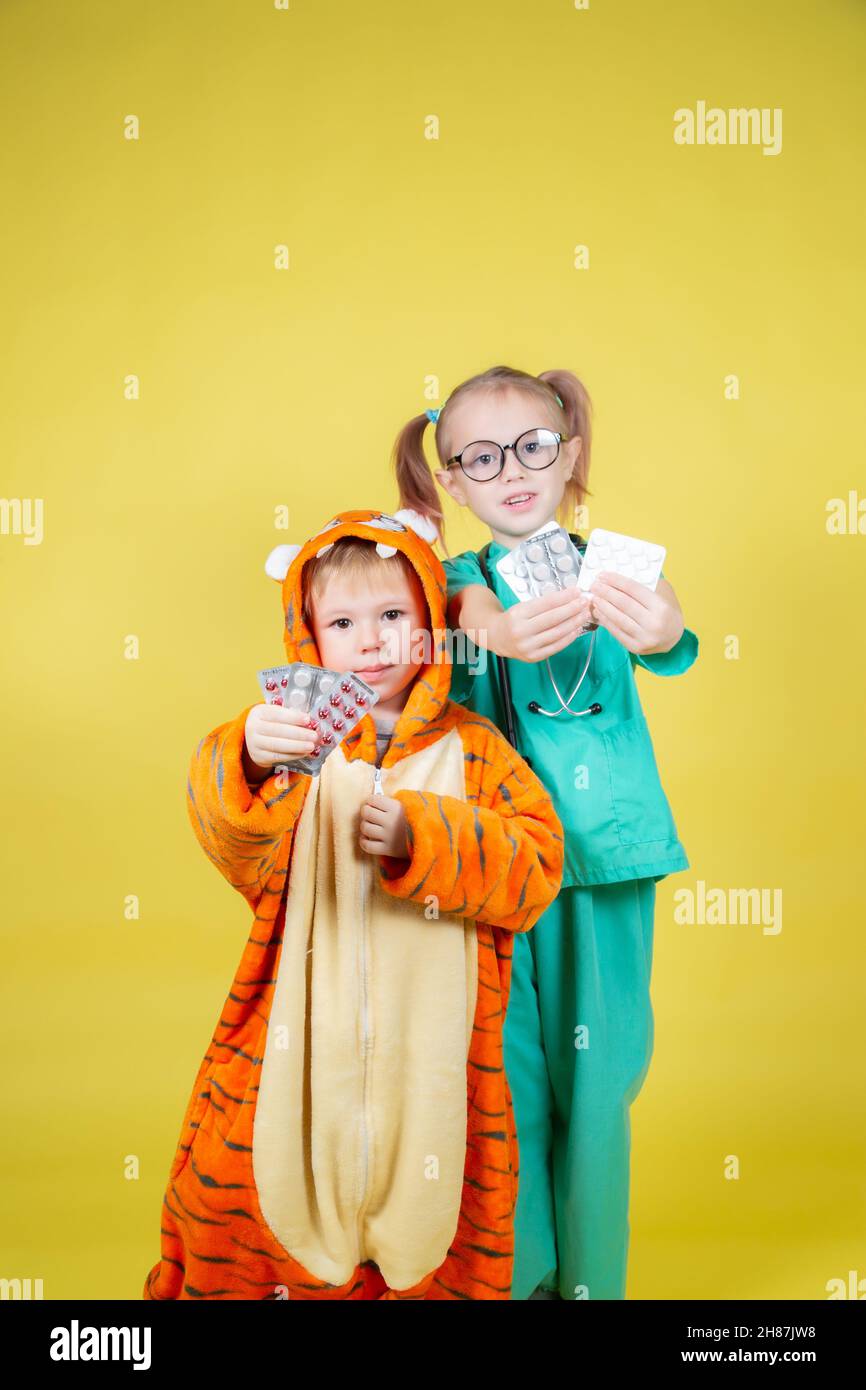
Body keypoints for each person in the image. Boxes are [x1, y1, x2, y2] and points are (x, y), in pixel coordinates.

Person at [142, 506, 564, 1301]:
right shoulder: (292, 739)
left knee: (441, 1231)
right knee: (238, 1203)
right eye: (342, 622)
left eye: (394, 616)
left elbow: (537, 866)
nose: (370, 641)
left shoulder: (474, 750)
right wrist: (248, 755)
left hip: (437, 1065)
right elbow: (231, 841)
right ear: (308, 639)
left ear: (433, 624)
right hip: (298, 1044)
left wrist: (423, 836)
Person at [391, 365, 700, 1299]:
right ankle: (515, 1282)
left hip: (601, 862)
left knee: (599, 1087)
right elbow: (464, 615)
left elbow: (672, 639)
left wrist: (659, 628)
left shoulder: (618, 572)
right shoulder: (454, 586)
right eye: (479, 459)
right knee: (503, 1087)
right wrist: (496, 625)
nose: (511, 472)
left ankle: (592, 1287)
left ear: (568, 454)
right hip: (488, 871)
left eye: (532, 447)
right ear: (452, 480)